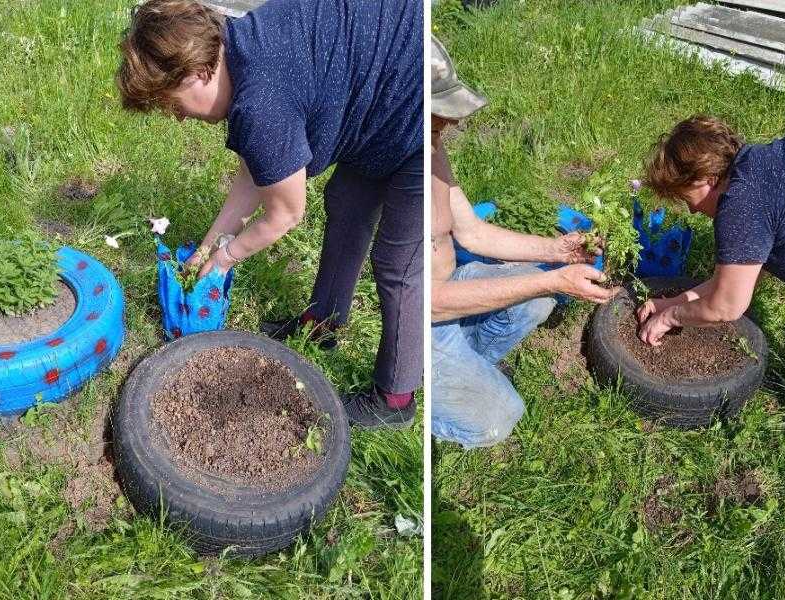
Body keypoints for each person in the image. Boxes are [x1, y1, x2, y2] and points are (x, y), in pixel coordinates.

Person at [117, 0, 423, 428]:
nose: (179, 119)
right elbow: (258, 172)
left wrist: (224, 260)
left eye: (173, 104)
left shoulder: (259, 104)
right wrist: (208, 246)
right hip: (373, 90)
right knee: (348, 204)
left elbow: (285, 213)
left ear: (196, 72)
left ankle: (395, 399)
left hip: (414, 108)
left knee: (398, 264)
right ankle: (323, 324)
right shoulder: (244, 44)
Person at [430, 36, 619, 449]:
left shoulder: (431, 149)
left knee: (535, 300)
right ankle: (422, 398)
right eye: (437, 114)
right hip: (421, 324)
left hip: (452, 288)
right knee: (499, 419)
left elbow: (472, 232)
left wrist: (557, 251)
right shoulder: (398, 179)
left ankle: (470, 367)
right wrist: (553, 280)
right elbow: (428, 301)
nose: (452, 123)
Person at [639, 112, 785, 383]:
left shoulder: (741, 203)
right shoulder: (757, 169)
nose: (690, 209)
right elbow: (732, 282)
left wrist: (668, 319)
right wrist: (672, 303)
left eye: (687, 197)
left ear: (708, 178)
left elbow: (726, 306)